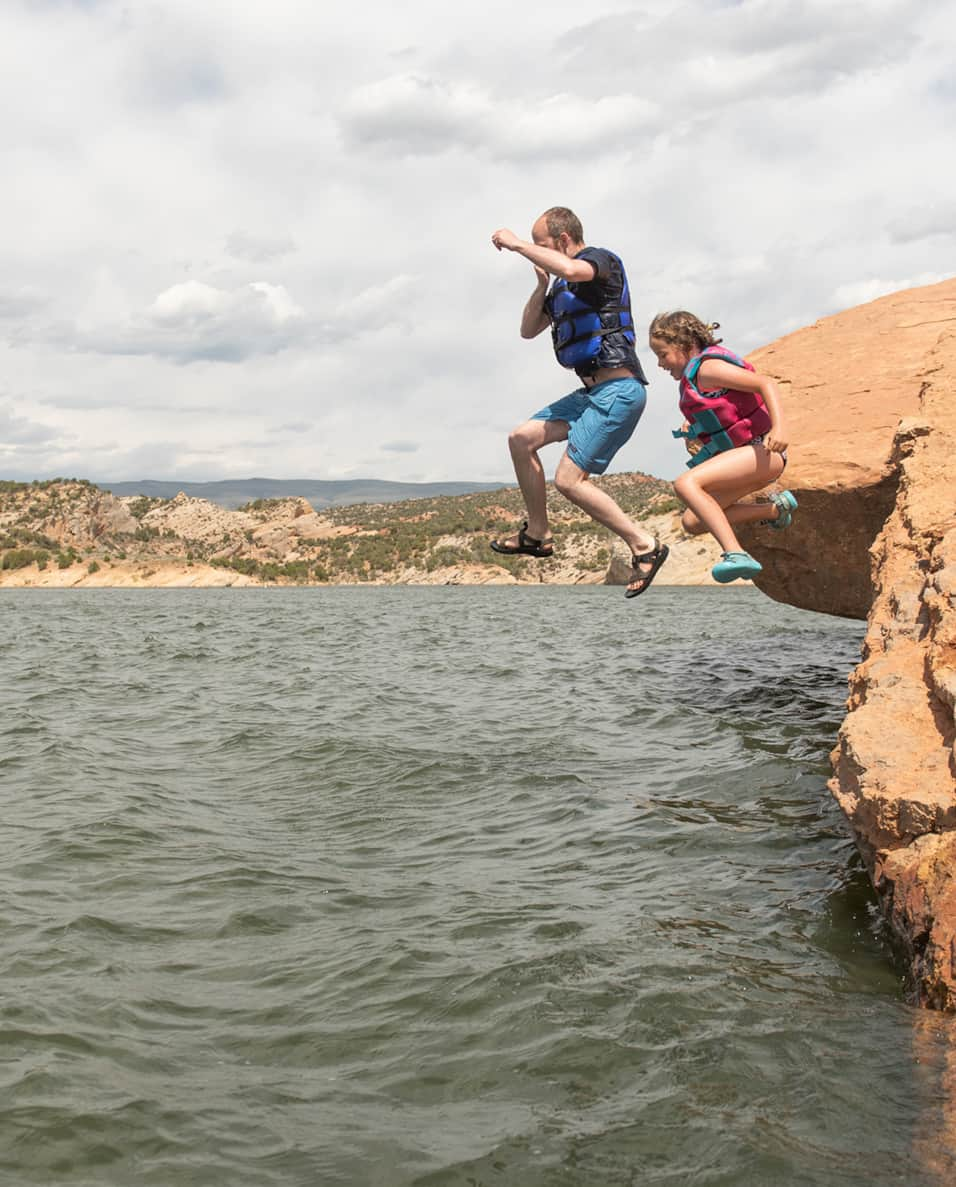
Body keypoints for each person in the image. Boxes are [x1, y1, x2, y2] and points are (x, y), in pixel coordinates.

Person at [489, 207, 668, 598]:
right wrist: (540, 287)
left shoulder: (600, 261)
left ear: (564, 240)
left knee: (569, 480)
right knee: (521, 439)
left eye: (542, 245)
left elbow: (572, 271)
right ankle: (537, 534)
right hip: (589, 394)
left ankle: (645, 545)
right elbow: (527, 330)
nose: (536, 251)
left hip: (620, 389)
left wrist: (518, 245)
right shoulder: (559, 288)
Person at [648, 311, 797, 583]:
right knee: (692, 522)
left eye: (662, 354)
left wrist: (780, 428)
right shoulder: (696, 378)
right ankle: (775, 510)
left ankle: (735, 553)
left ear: (684, 345)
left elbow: (765, 384)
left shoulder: (708, 368)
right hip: (749, 458)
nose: (660, 364)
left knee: (685, 484)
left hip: (762, 450)